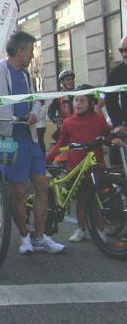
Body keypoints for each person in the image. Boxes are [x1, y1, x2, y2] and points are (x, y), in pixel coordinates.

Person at [0, 31, 65, 255]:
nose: (32, 54)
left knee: (42, 187)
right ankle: (24, 236)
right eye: (30, 50)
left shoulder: (26, 74)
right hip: (9, 139)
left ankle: (39, 237)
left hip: (29, 136)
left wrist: (35, 113)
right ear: (20, 50)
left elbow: (34, 100)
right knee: (18, 191)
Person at [46, 85, 120, 242]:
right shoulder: (68, 122)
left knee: (95, 200)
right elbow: (61, 143)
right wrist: (48, 157)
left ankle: (100, 228)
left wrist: (114, 140)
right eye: (76, 100)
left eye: (82, 101)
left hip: (95, 165)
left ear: (91, 103)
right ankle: (81, 229)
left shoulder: (98, 120)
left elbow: (108, 135)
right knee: (81, 199)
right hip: (75, 167)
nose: (78, 104)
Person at [104, 35, 127, 165]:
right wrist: (119, 123)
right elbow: (109, 99)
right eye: (121, 50)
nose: (124, 54)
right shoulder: (116, 73)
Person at [48, 69, 75, 141]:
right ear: (62, 82)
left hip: (78, 127)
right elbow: (50, 112)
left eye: (72, 79)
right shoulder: (59, 97)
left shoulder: (78, 93)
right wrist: (55, 119)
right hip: (64, 129)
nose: (70, 81)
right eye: (67, 80)